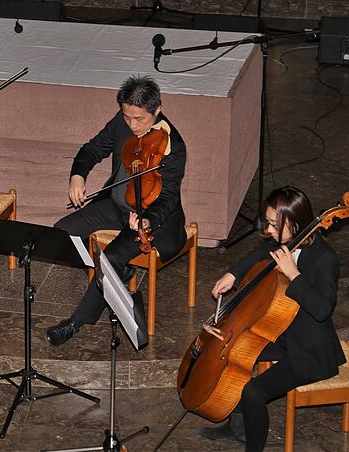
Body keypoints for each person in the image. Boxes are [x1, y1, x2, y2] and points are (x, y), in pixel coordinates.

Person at [198, 186, 345, 451]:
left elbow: (322, 309)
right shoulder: (285, 242)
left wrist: (294, 275)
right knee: (234, 353)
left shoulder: (325, 259)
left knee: (254, 392)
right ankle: (237, 427)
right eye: (267, 223)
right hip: (279, 332)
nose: (268, 231)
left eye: (274, 225)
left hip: (308, 348)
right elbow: (257, 254)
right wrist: (232, 274)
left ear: (296, 222)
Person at [45, 75, 187, 346]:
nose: (132, 125)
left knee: (110, 259)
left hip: (152, 220)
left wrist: (147, 220)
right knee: (62, 233)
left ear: (156, 110)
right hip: (116, 205)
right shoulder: (122, 122)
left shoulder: (174, 146)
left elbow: (168, 198)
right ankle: (118, 278)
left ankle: (76, 322)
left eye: (140, 120)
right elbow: (92, 149)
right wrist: (78, 175)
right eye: (127, 117)